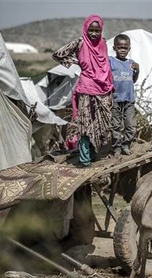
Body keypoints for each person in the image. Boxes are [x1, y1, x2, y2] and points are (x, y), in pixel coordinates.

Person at [52, 15, 114, 167]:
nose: (93, 34)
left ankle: (93, 154)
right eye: (91, 30)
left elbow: (105, 65)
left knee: (100, 125)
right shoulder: (80, 42)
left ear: (101, 30)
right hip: (86, 88)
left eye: (97, 30)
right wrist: (77, 62)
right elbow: (57, 55)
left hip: (102, 88)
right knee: (85, 126)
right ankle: (85, 158)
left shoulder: (104, 43)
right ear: (86, 29)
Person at [109, 34, 139, 157]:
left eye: (125, 48)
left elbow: (134, 80)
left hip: (129, 99)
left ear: (129, 49)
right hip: (115, 99)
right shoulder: (110, 61)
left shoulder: (132, 64)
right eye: (119, 47)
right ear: (114, 48)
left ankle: (125, 145)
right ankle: (116, 148)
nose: (122, 50)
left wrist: (138, 70)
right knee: (115, 125)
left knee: (131, 126)